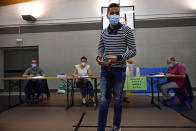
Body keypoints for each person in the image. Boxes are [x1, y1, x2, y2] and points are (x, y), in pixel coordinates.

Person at [96, 3, 136, 131]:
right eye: (111, 13)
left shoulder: (126, 30)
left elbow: (133, 50)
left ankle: (116, 126)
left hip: (119, 71)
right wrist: (98, 57)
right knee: (103, 101)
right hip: (105, 71)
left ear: (120, 15)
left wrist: (119, 57)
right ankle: (100, 128)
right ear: (107, 15)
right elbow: (100, 47)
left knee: (118, 100)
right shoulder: (103, 32)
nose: (114, 15)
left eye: (116, 13)